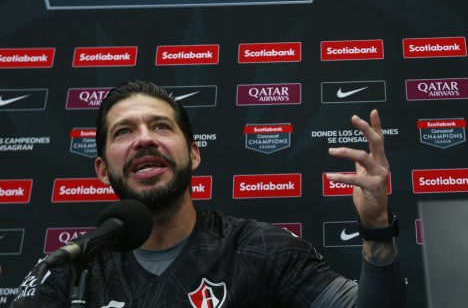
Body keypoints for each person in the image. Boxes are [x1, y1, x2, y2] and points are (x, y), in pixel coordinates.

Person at [10, 80, 406, 307]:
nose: (145, 139)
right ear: (102, 170)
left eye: (161, 127)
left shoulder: (261, 249)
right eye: (124, 131)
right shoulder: (68, 268)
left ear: (194, 153)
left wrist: (374, 229)